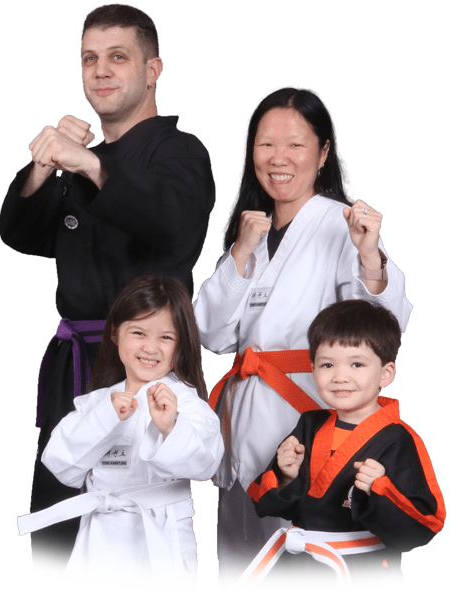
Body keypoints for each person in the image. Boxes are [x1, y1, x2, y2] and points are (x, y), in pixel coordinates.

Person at [0, 3, 215, 580]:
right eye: (89, 59)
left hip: (141, 363)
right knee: (56, 524)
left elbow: (170, 225)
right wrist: (44, 167)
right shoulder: (80, 163)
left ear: (153, 69)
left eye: (118, 57)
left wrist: (91, 167)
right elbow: (19, 234)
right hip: (73, 361)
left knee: (135, 524)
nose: (100, 71)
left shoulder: (182, 153)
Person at [193, 86, 413, 589]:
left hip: (307, 420)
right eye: (265, 145)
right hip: (244, 422)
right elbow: (210, 332)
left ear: (324, 152)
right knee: (244, 566)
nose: (278, 159)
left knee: (311, 564)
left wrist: (371, 257)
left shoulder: (341, 226)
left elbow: (384, 328)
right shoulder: (252, 231)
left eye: (295, 145)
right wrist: (241, 256)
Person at [18, 275, 224, 589]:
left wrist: (171, 428)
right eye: (138, 332)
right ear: (115, 334)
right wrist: (105, 418)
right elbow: (60, 463)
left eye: (166, 338)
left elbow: (207, 464)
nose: (150, 347)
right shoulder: (98, 402)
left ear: (181, 344)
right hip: (99, 542)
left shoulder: (185, 402)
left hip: (159, 542)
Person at [240, 300, 445, 590]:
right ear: (312, 369)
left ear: (386, 374)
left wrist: (381, 489)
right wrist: (286, 476)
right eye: (327, 365)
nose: (339, 376)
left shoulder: (398, 438)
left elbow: (427, 523)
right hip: (300, 567)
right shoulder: (309, 424)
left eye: (357, 364)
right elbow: (271, 503)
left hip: (359, 571)